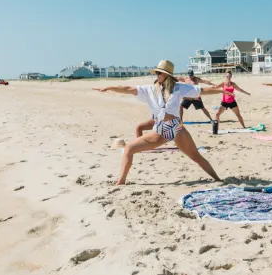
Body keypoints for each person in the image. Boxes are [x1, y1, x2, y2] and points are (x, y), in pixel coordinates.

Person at [93, 59, 221, 185]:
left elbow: (201, 91)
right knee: (129, 149)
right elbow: (128, 88)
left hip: (173, 128)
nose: (156, 75)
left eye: (159, 73)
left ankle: (218, 179)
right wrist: (109, 87)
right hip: (166, 129)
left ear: (166, 75)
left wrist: (222, 90)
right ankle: (120, 182)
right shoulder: (150, 90)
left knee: (195, 156)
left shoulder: (178, 88)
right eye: (156, 73)